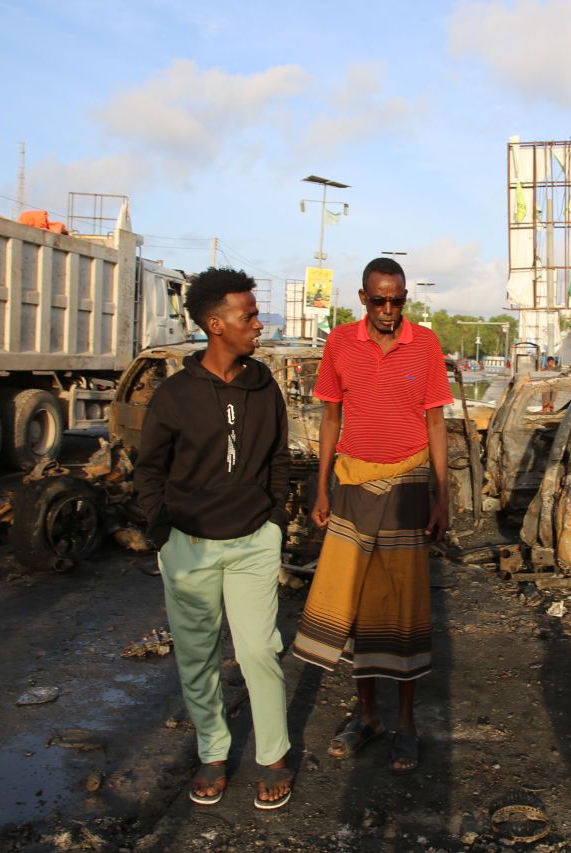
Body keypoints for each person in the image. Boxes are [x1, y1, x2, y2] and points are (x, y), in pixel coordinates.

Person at [133, 267, 294, 810]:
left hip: (252, 542)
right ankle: (213, 751)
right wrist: (161, 532)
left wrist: (274, 522)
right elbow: (149, 467)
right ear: (214, 324)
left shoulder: (263, 385)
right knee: (197, 657)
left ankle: (272, 755)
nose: (258, 325)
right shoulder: (175, 395)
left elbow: (278, 459)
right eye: (248, 316)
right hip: (189, 546)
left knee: (259, 651)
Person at [291, 256, 452, 775]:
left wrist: (443, 496)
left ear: (406, 299)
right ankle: (367, 716)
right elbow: (330, 419)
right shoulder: (339, 343)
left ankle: (405, 723)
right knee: (355, 604)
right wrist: (321, 490)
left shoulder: (425, 344)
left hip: (408, 484)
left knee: (402, 607)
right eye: (379, 300)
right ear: (362, 298)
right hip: (352, 484)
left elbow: (435, 424)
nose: (388, 310)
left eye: (397, 301)